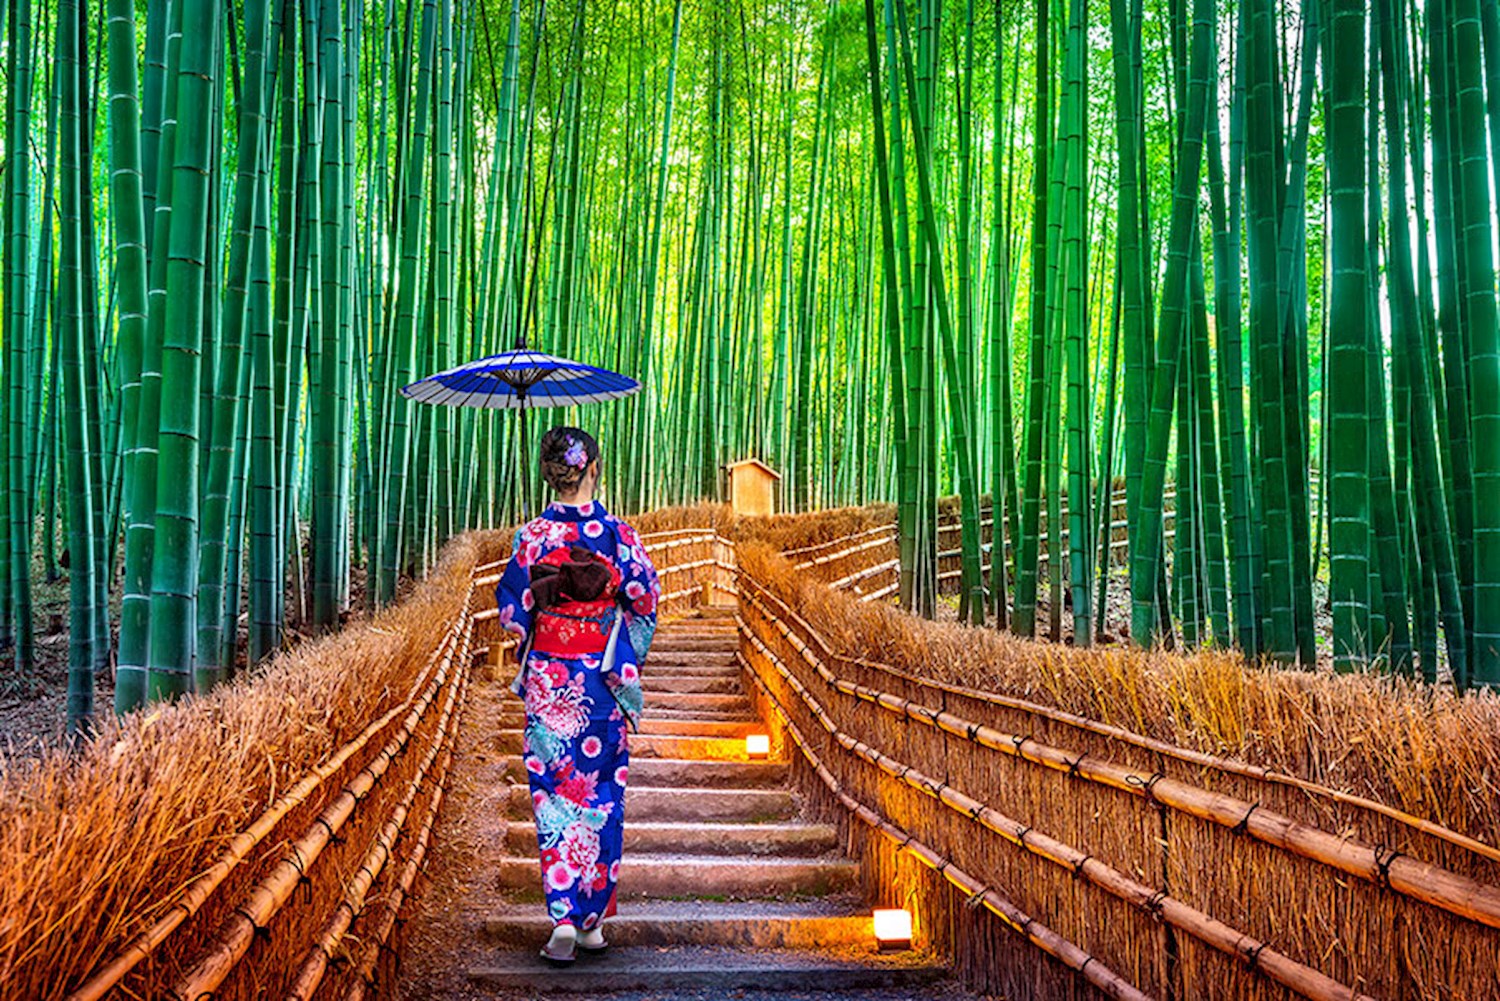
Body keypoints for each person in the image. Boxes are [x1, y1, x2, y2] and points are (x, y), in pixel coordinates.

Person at [493, 426, 660, 965]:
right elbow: (645, 598)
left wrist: (536, 622)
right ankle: (590, 922)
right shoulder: (618, 534)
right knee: (603, 794)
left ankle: (563, 920)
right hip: (600, 681)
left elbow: (514, 613)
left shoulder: (531, 536)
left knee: (553, 794)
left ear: (550, 472)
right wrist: (616, 633)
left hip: (549, 681)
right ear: (594, 468)